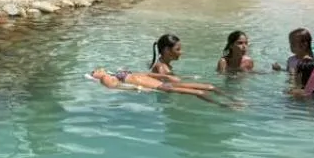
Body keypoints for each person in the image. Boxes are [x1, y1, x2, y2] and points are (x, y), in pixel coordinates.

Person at [89, 69, 231, 105]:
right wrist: (138, 89)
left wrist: (167, 76)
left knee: (210, 86)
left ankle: (231, 99)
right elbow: (118, 87)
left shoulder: (116, 73)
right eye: (94, 72)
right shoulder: (106, 80)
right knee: (199, 92)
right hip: (162, 88)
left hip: (164, 83)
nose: (97, 70)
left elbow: (143, 74)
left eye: (97, 70)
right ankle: (222, 105)